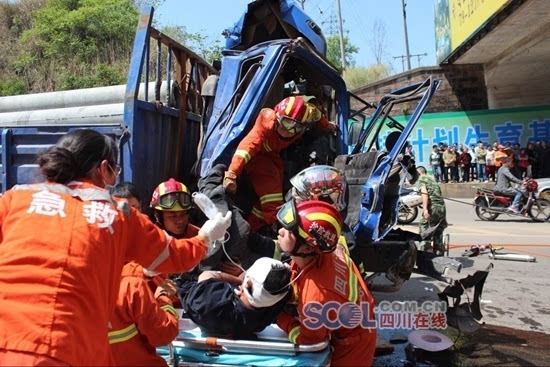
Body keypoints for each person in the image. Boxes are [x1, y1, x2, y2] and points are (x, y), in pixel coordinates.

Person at [0, 129, 232, 366]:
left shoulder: (15, 198)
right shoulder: (117, 214)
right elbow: (176, 256)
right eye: (115, 170)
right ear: (103, 168)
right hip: (69, 350)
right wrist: (207, 237)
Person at [275, 200, 376, 367]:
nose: (280, 231)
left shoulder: (316, 297)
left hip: (351, 348)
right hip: (359, 321)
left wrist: (278, 317)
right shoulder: (327, 249)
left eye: (288, 232)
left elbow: (308, 343)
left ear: (307, 248)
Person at [223, 95, 337, 231]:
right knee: (273, 203)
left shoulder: (309, 113)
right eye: (286, 123)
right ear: (278, 116)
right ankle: (264, 231)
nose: (288, 131)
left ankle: (253, 228)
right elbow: (247, 148)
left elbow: (317, 115)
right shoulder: (266, 123)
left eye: (296, 127)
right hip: (259, 158)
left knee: (267, 202)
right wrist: (232, 173)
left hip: (274, 158)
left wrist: (327, 125)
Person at [110, 184, 180, 366]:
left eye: (136, 209)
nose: (133, 215)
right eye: (127, 209)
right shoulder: (131, 287)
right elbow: (163, 334)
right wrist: (163, 299)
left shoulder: (150, 235)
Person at [178, 257, 291, 338]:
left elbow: (207, 274)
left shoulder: (209, 300)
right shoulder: (274, 306)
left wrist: (239, 280)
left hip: (181, 287)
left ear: (247, 284)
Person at [416, 166, 448, 255]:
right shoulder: (433, 180)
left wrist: (425, 209)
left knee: (425, 231)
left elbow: (424, 193)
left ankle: (424, 257)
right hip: (441, 208)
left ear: (418, 173)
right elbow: (439, 196)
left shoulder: (421, 180)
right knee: (438, 231)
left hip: (432, 207)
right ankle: (438, 257)